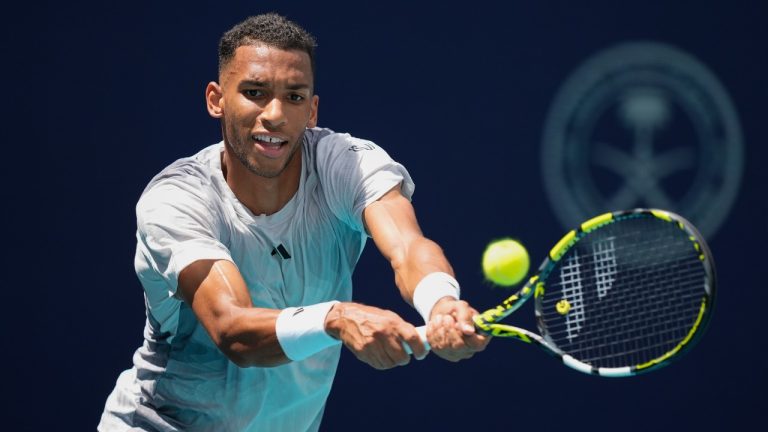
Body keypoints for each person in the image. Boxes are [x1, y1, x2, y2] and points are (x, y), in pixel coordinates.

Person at [99, 13, 488, 431]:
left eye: (295, 97)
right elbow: (233, 329)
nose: (275, 115)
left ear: (313, 109)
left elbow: (408, 246)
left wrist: (440, 302)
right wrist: (335, 317)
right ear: (216, 99)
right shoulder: (177, 198)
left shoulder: (347, 164)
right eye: (254, 92)